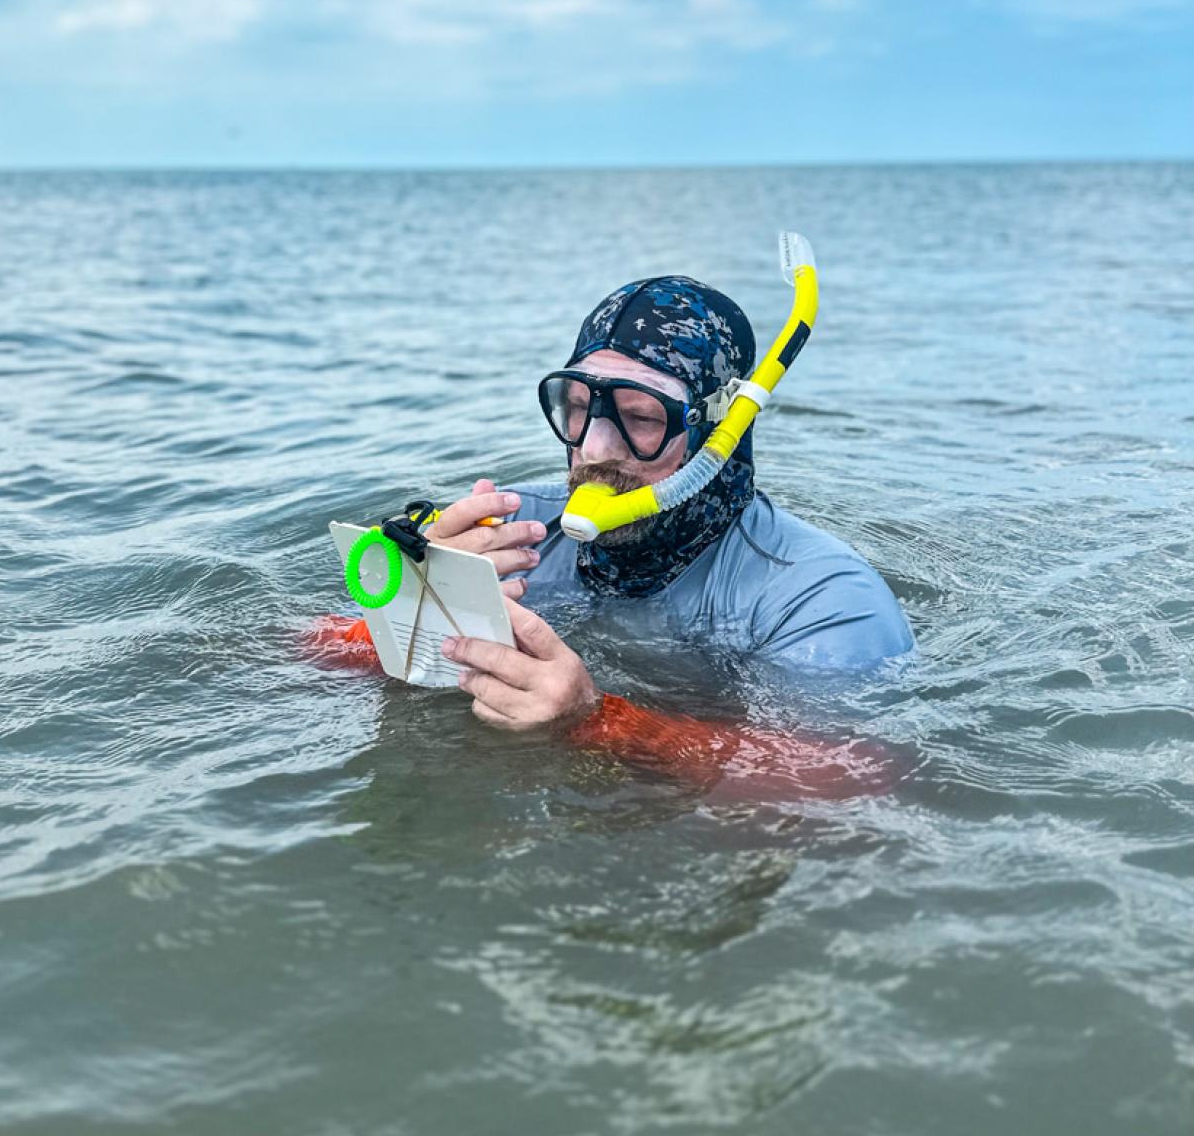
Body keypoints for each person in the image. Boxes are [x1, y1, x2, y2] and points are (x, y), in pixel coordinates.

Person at [311, 276, 912, 793]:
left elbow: (851, 776)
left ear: (719, 432)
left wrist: (594, 720)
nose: (593, 450)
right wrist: (418, 604)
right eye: (578, 407)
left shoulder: (821, 596)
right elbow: (295, 649)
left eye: (642, 416)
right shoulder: (514, 527)